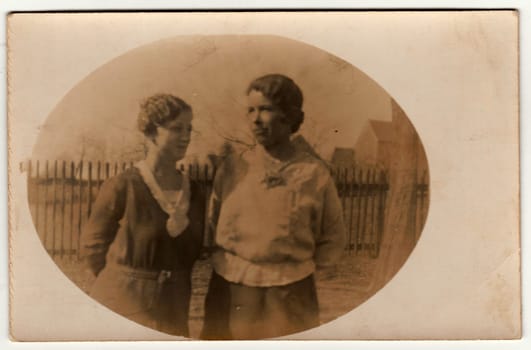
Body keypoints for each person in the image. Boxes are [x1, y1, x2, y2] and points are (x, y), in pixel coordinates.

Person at [201, 74, 347, 339]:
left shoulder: (314, 173)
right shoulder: (233, 167)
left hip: (288, 293)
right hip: (230, 287)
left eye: (266, 109)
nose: (255, 119)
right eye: (250, 110)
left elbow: (333, 235)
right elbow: (212, 222)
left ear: (289, 116)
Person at [80, 94, 205, 337]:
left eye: (189, 128)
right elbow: (92, 247)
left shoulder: (196, 191)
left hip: (175, 307)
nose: (186, 136)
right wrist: (125, 282)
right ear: (150, 133)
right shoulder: (122, 185)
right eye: (176, 129)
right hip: (125, 303)